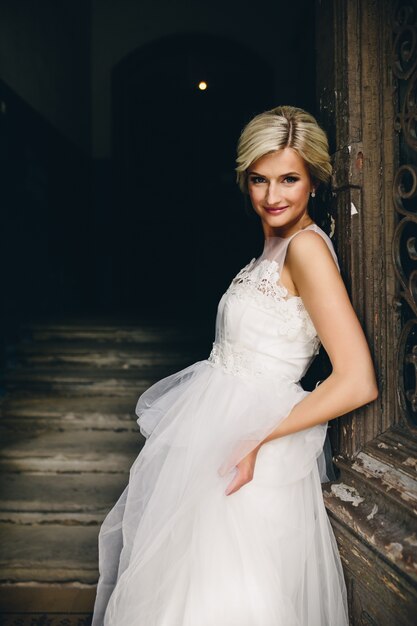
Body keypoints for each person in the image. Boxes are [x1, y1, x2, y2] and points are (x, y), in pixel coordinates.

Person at [92, 105, 378, 626]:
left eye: (289, 179)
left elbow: (357, 380)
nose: (273, 196)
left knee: (233, 598)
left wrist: (256, 438)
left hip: (257, 448)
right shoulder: (275, 244)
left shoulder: (307, 250)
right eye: (259, 180)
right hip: (221, 436)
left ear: (314, 180)